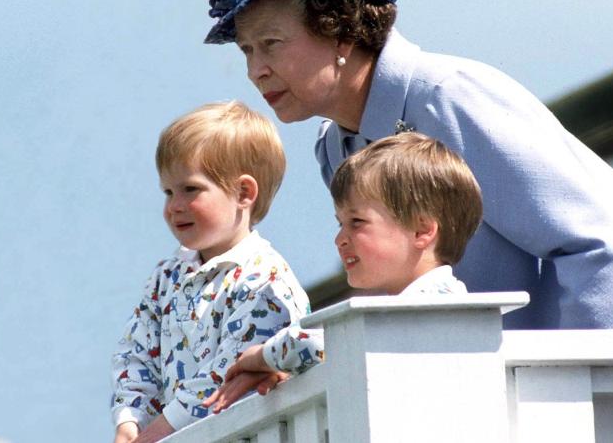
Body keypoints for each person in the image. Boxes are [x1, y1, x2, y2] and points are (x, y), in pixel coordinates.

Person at [203, 0, 613, 330]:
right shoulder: (337, 147)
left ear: (340, 30)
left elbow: (592, 244)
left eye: (271, 44)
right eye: (247, 51)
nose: (256, 71)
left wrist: (568, 399)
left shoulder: (447, 96)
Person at [203, 131, 483, 413]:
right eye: (340, 224)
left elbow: (323, 343)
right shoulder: (416, 306)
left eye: (357, 222)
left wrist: (261, 357)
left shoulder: (435, 302)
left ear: (422, 230)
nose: (340, 239)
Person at [110, 101, 311, 443]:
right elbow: (136, 350)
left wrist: (159, 432)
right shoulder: (167, 275)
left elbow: (230, 371)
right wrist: (130, 419)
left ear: (243, 192)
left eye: (191, 189)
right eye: (168, 191)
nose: (174, 205)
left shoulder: (266, 279)